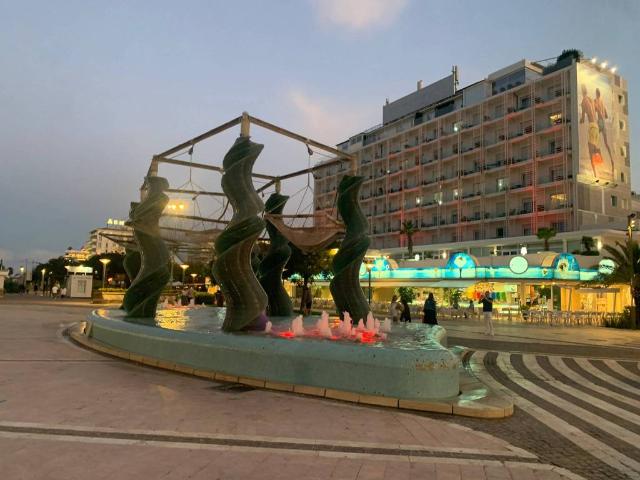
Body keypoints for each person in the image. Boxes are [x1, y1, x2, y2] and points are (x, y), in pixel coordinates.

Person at [580, 84, 602, 178]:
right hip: (596, 127)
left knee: (591, 151)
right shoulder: (591, 100)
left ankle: (595, 174)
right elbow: (599, 111)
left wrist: (580, 120)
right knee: (595, 148)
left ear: (582, 91)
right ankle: (598, 169)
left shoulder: (583, 102)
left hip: (592, 126)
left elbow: (582, 119)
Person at [594, 87, 615, 176]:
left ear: (596, 94)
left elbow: (595, 110)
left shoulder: (595, 100)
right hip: (604, 123)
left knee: (594, 141)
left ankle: (598, 160)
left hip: (599, 122)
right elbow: (606, 115)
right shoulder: (602, 101)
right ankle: (612, 161)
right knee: (606, 144)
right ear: (600, 94)